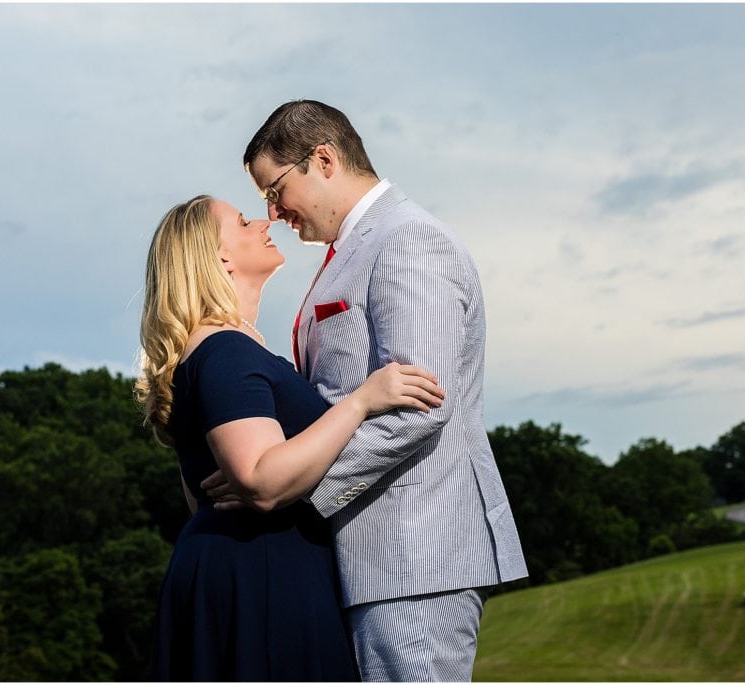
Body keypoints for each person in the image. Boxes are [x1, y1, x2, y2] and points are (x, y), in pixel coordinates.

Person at [209, 100, 531, 681]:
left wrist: (289, 486)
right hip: (372, 554)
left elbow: (418, 407)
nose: (274, 212)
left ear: (323, 160)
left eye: (275, 189)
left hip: (417, 552)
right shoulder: (354, 250)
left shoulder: (409, 242)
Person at [136, 194, 446, 681]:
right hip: (263, 578)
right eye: (241, 221)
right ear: (219, 257)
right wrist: (361, 401)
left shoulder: (217, 350)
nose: (263, 222)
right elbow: (261, 481)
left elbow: (203, 499)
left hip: (243, 568)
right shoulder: (225, 351)